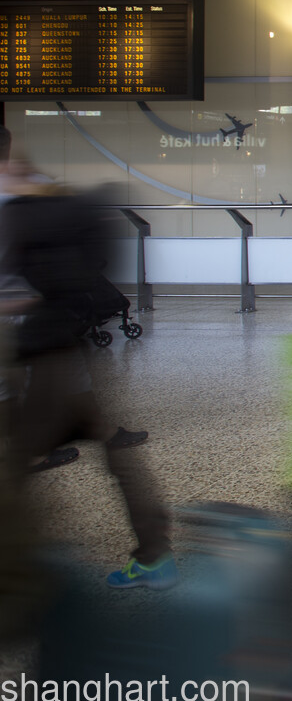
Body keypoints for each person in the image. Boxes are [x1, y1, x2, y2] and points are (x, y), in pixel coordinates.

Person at [0, 136, 175, 590]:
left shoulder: (14, 206)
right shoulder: (41, 193)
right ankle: (155, 551)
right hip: (58, 348)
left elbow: (26, 288)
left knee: (16, 461)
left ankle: (22, 567)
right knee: (106, 446)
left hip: (35, 355)